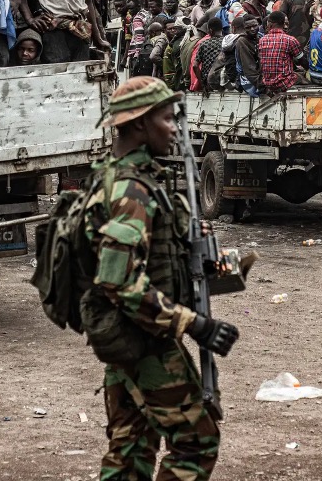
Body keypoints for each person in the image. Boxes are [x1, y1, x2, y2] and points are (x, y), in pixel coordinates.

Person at [84, 76, 237, 481]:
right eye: (167, 119)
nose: (174, 129)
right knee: (196, 442)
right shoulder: (132, 189)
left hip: (126, 337)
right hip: (143, 339)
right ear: (138, 124)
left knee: (130, 450)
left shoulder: (122, 176)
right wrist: (195, 324)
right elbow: (120, 282)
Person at [257, 10, 304, 94]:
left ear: (270, 24)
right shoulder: (290, 40)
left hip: (267, 83)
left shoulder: (262, 40)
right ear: (283, 23)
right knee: (303, 77)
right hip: (283, 84)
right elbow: (302, 60)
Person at [191, 17, 225, 92]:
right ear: (222, 29)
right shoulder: (227, 42)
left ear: (210, 30)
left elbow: (195, 65)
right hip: (224, 83)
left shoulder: (204, 44)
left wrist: (202, 84)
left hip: (209, 84)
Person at [232, 15, 261, 97]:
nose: (252, 29)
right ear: (244, 28)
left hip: (259, 76)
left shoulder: (260, 37)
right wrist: (263, 86)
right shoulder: (242, 41)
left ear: (258, 25)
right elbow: (249, 69)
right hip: (249, 80)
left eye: (254, 26)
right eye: (248, 27)